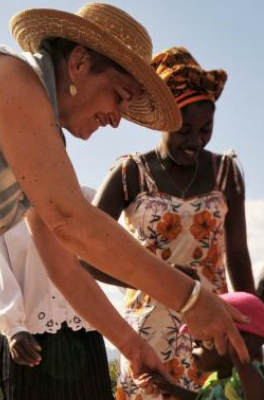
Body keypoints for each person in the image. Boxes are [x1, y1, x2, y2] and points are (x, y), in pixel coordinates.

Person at [0, 4, 250, 400]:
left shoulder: (40, 142)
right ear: (79, 62)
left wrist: (132, 347)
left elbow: (64, 266)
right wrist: (190, 299)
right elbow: (72, 221)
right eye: (119, 96)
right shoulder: (11, 76)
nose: (117, 119)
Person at [83, 47, 255, 400]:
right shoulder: (129, 174)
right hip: (148, 335)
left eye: (205, 129)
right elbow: (87, 255)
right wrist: (159, 277)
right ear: (162, 121)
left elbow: (238, 256)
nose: (195, 141)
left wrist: (252, 335)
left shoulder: (226, 173)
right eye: (185, 129)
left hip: (213, 339)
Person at [0, 186, 113, 400]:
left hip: (86, 335)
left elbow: (113, 260)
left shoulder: (89, 199)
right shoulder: (1, 209)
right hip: (27, 342)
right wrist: (13, 327)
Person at [147, 292, 264, 400]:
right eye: (195, 341)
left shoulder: (251, 377)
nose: (194, 346)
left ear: (240, 341)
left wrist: (239, 356)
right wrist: (172, 389)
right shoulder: (214, 380)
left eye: (204, 341)